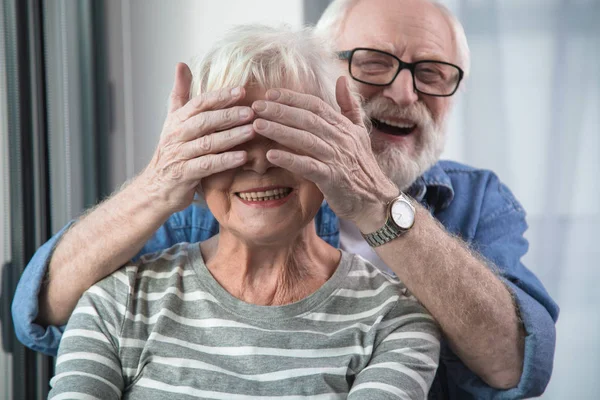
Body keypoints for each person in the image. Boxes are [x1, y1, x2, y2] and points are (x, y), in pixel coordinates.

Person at [13, 0, 558, 398]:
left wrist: (372, 199)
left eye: (433, 74)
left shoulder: (475, 203)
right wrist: (158, 185)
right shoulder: (210, 200)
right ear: (325, 78)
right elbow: (43, 311)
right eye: (373, 63)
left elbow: (516, 365)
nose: (402, 92)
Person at [47, 25, 440, 399]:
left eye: (287, 134)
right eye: (229, 137)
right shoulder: (116, 303)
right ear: (188, 155)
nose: (258, 163)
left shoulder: (396, 319)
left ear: (342, 150)